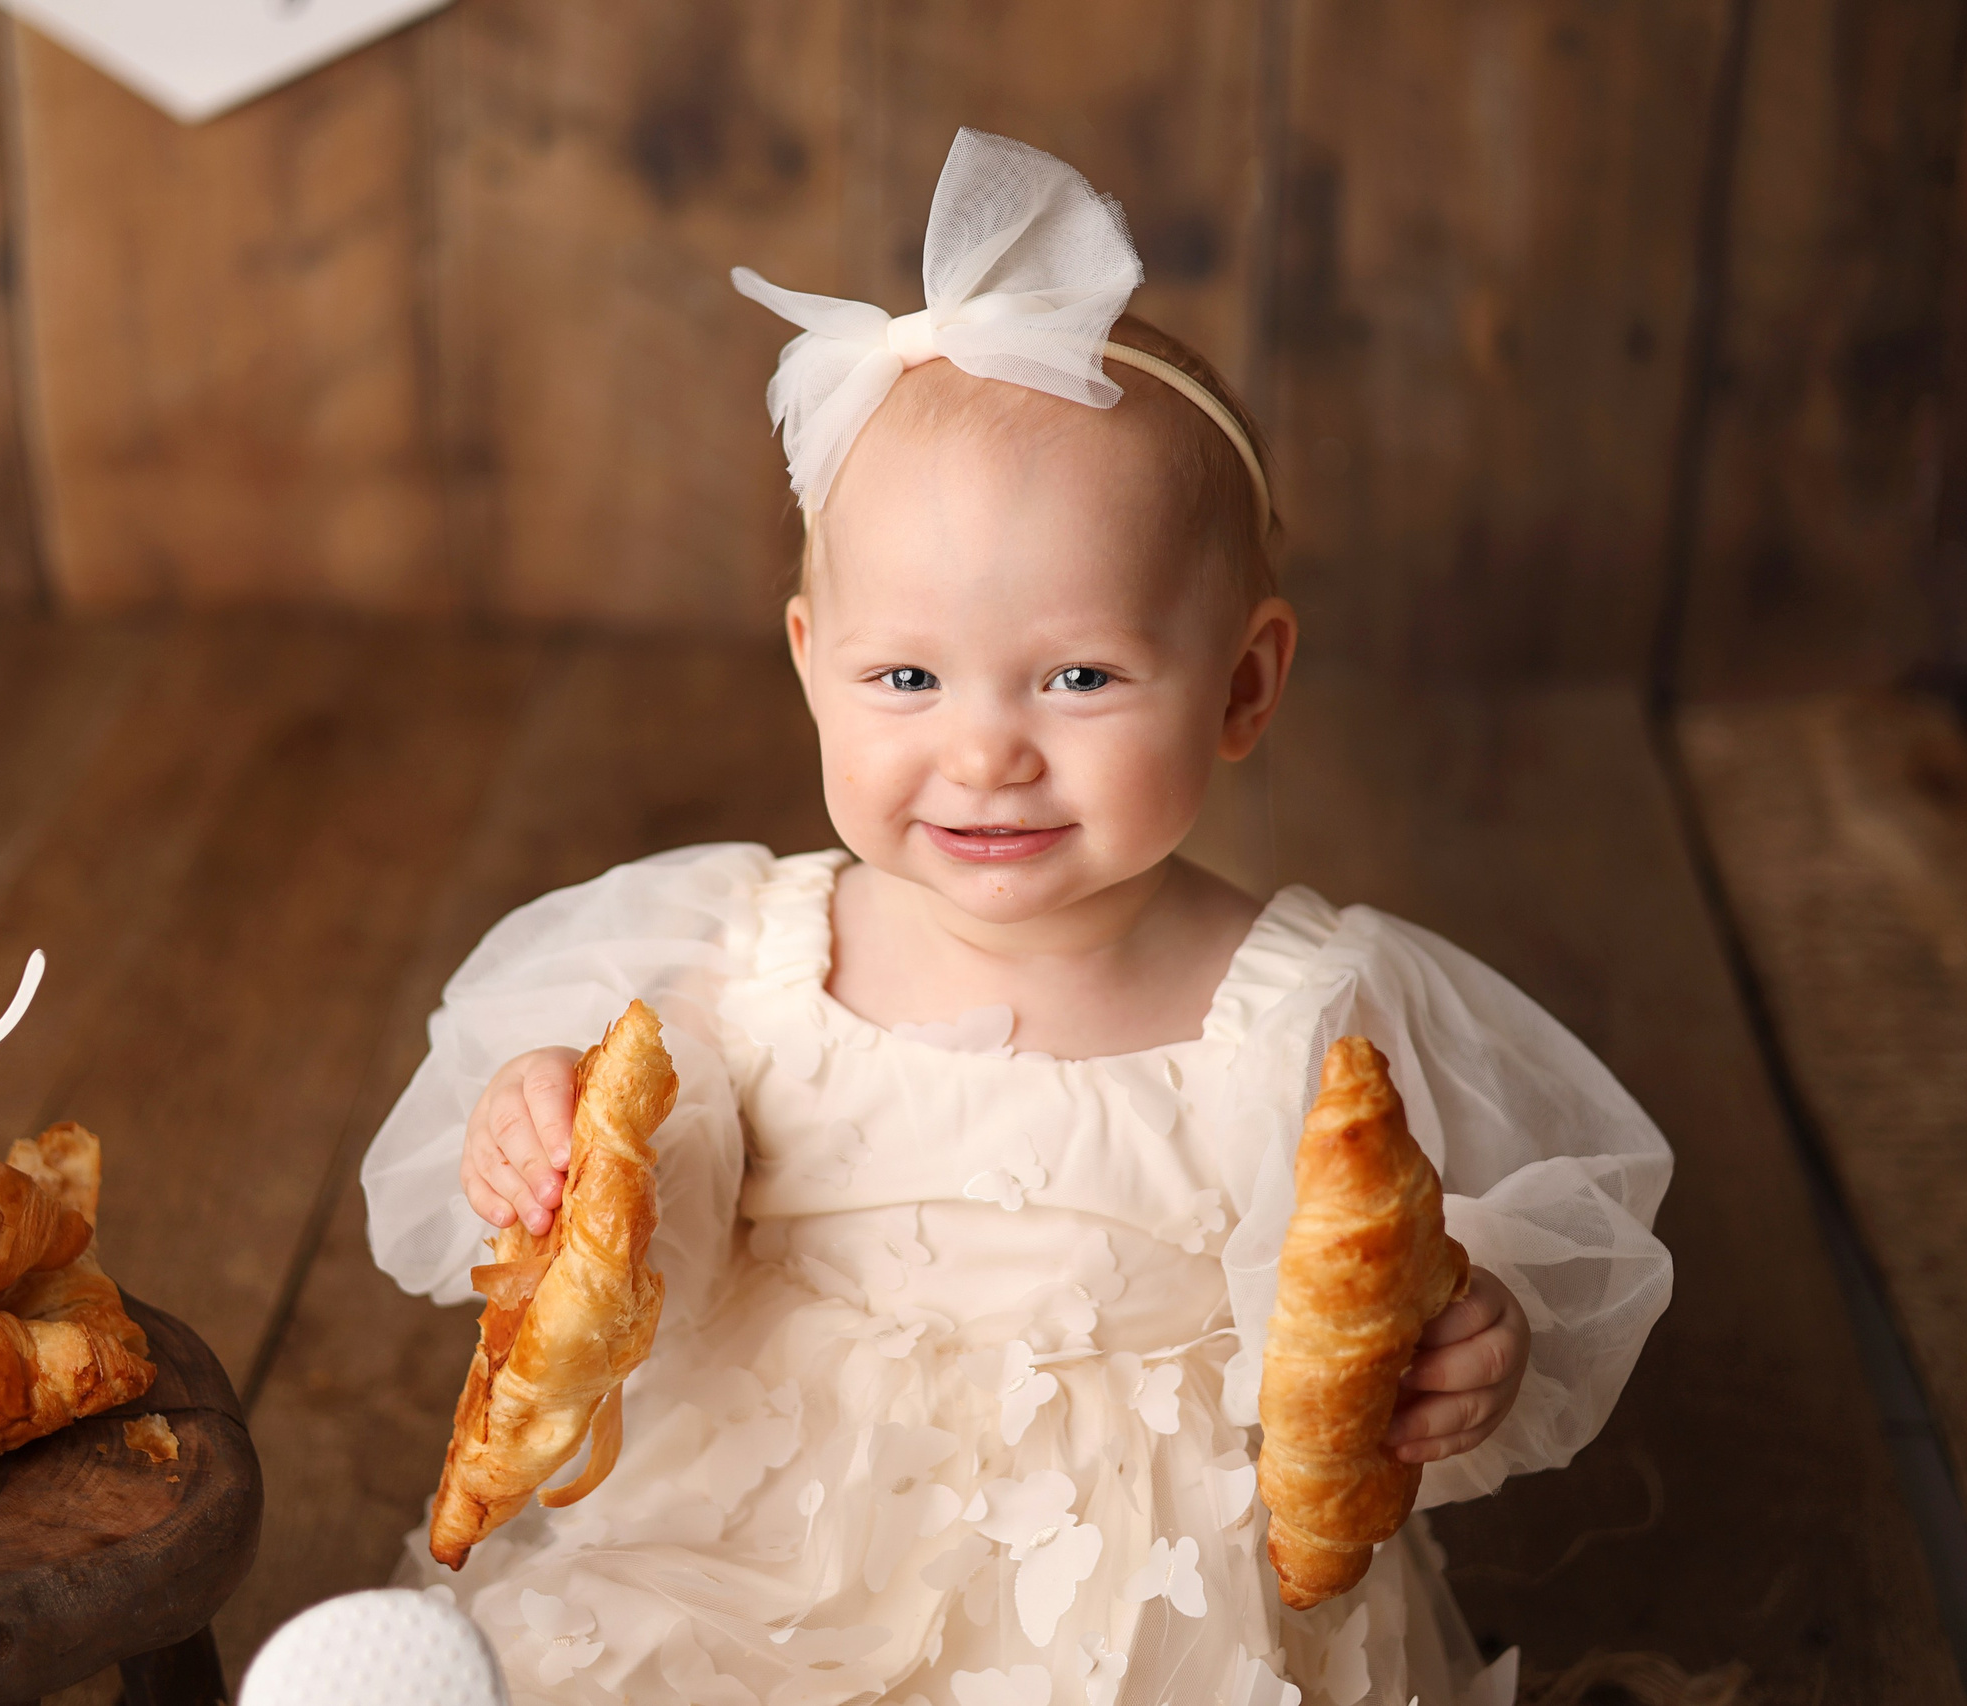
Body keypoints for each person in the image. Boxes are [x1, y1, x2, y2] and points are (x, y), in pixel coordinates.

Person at [363, 129, 1673, 1706]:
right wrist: (562, 1134)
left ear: (1244, 684)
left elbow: (1381, 1275)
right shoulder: (762, 956)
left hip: (1136, 1590)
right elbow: (664, 1222)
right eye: (908, 676)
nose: (986, 751)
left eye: (1080, 675)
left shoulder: (1301, 1013)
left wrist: (1468, 1335)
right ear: (811, 663)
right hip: (768, 1531)